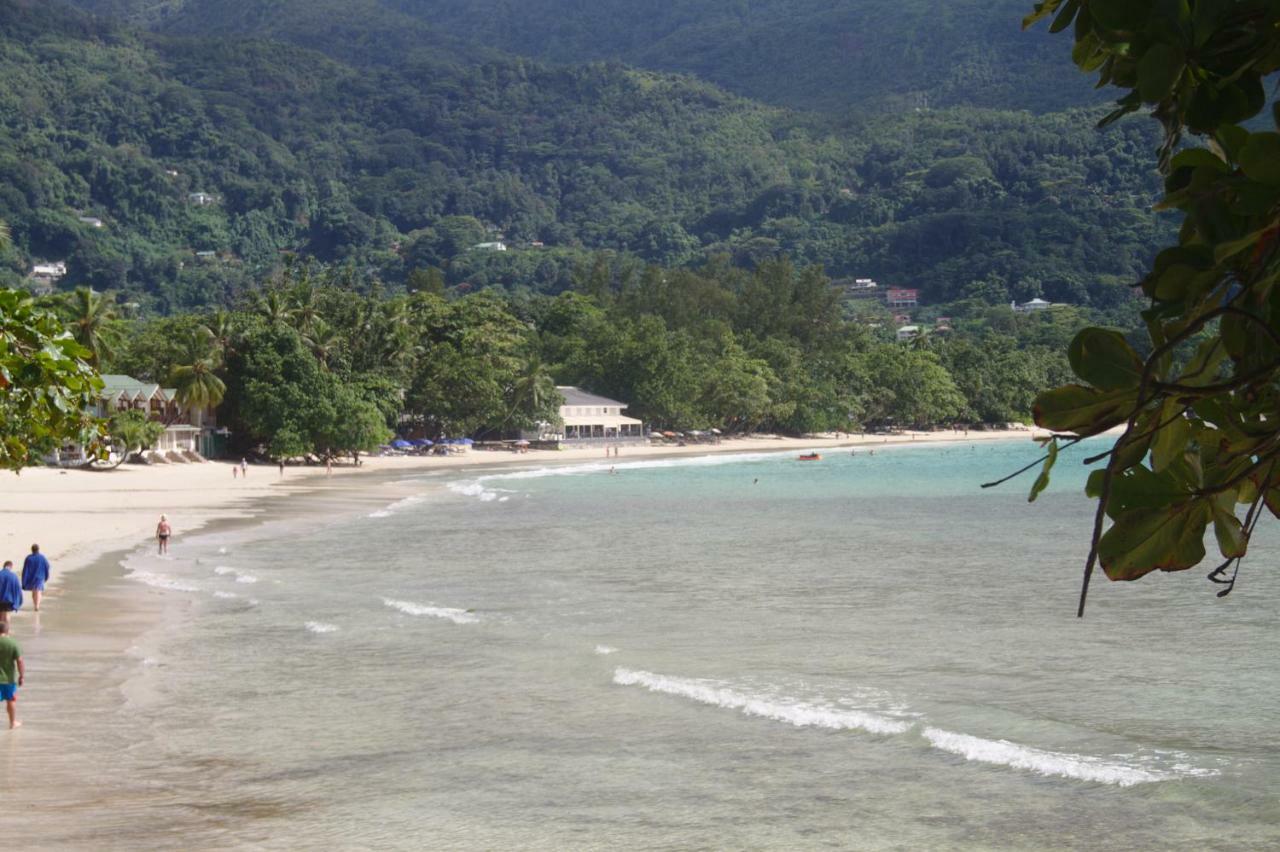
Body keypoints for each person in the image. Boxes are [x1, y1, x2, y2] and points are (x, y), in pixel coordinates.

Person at [0, 621, 24, 730]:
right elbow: (20, 661)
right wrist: (21, 676)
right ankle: (12, 723)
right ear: (7, 631)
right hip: (8, 679)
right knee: (11, 700)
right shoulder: (13, 643)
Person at [21, 545, 49, 612]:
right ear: (38, 549)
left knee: (34, 591)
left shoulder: (28, 558)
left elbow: (25, 569)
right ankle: (37, 606)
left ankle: (36, 605)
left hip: (31, 577)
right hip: (40, 577)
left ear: (32, 550)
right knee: (38, 591)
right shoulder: (42, 557)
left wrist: (24, 580)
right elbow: (47, 567)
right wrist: (46, 576)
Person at [0, 561, 21, 628]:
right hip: (9, 599)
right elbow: (17, 590)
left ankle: (1, 631)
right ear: (11, 567)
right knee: (7, 615)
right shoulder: (13, 576)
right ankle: (6, 631)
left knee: (1, 615)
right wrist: (18, 602)